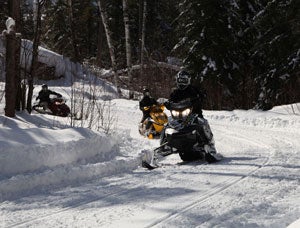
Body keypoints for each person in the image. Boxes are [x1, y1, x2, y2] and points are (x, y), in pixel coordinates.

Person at [165, 70, 217, 154]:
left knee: (200, 122)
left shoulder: (193, 90)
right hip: (179, 116)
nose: (182, 83)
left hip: (194, 113)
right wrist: (167, 103)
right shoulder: (175, 92)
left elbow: (201, 95)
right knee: (167, 125)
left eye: (184, 80)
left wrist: (201, 96)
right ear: (177, 81)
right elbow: (170, 100)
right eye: (180, 80)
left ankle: (208, 144)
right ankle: (165, 145)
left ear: (188, 81)